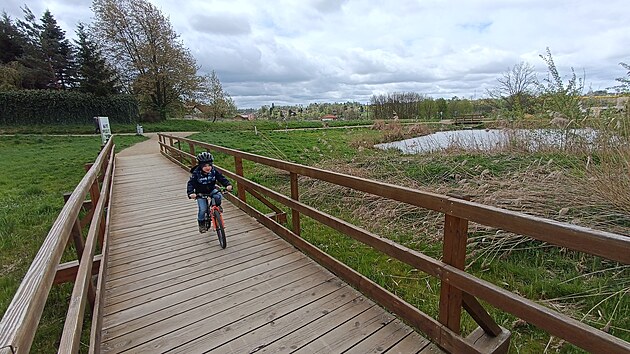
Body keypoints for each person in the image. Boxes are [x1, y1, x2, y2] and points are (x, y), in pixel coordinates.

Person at [187, 152, 233, 233]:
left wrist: (228, 184)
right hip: (200, 192)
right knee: (203, 209)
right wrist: (191, 193)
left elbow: (221, 178)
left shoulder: (214, 171)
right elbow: (191, 183)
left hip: (211, 189)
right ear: (200, 166)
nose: (208, 168)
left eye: (209, 165)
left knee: (218, 196)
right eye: (204, 166)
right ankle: (201, 223)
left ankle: (216, 206)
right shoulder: (196, 173)